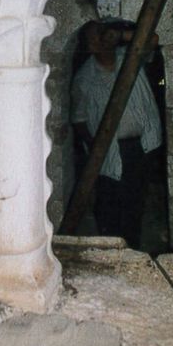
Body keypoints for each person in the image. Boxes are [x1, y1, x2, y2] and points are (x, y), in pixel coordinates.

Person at [70, 20, 162, 248]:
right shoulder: (84, 78)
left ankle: (132, 249)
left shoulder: (130, 57)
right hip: (108, 151)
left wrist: (121, 35)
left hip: (140, 145)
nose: (99, 40)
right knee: (109, 204)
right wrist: (95, 148)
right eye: (94, 38)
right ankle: (110, 249)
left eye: (101, 34)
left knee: (136, 200)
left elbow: (154, 39)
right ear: (89, 46)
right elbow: (79, 118)